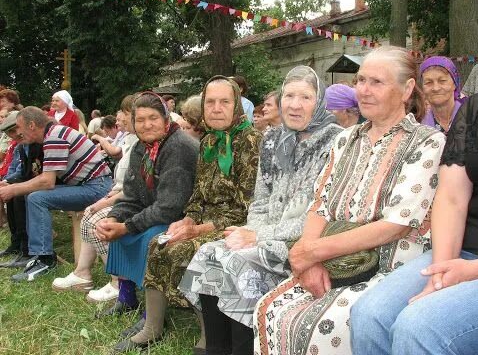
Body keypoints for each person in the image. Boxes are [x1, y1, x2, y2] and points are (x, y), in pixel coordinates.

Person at [350, 0, 478, 354]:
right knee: (369, 314)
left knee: (421, 327)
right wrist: (442, 271)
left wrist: (467, 275)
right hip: (465, 252)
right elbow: (453, 197)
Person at [254, 47, 446, 355]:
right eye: (360, 80)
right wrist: (311, 260)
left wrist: (309, 252)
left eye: (377, 83)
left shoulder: (427, 142)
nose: (364, 91)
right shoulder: (345, 139)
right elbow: (320, 204)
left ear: (407, 89)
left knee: (323, 322)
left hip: (391, 263)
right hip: (331, 258)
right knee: (271, 308)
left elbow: (394, 226)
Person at [179, 66, 342, 355]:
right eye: (288, 95)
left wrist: (259, 235)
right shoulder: (272, 139)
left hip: (301, 240)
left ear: (319, 102)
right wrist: (250, 229)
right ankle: (217, 348)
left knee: (238, 263)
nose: (294, 104)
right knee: (208, 254)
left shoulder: (336, 142)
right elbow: (260, 198)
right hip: (264, 232)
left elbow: (320, 212)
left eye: (305, 97)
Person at [114, 75, 262, 352]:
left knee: (188, 252)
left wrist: (199, 229)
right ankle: (152, 327)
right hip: (205, 221)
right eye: (211, 102)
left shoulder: (251, 141)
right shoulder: (209, 141)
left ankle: (208, 336)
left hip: (238, 225)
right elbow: (198, 193)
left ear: (237, 105)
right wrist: (189, 218)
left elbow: (247, 206)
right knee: (160, 245)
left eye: (224, 102)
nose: (216, 108)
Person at [94, 92, 198, 317]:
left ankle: (151, 315)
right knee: (118, 231)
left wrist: (127, 225)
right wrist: (114, 218)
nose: (147, 125)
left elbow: (170, 207)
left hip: (184, 217)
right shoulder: (141, 148)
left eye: (153, 118)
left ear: (166, 119)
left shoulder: (178, 147)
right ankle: (126, 298)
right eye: (140, 120)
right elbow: (131, 196)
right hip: (158, 210)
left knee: (149, 238)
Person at [0, 107, 112, 282]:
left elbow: (47, 181)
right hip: (94, 185)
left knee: (37, 198)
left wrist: (13, 189)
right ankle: (37, 254)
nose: (19, 133)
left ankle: (44, 259)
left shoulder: (54, 137)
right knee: (34, 196)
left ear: (31, 125)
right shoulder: (53, 134)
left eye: (19, 128)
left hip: (97, 188)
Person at [51, 95, 138, 302]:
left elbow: (135, 188)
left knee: (97, 220)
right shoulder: (130, 139)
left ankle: (119, 282)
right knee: (89, 216)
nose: (119, 118)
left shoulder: (139, 143)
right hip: (118, 193)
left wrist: (108, 200)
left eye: (124, 113)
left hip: (130, 199)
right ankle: (82, 273)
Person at [0, 111, 43, 269]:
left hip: (44, 182)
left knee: (18, 193)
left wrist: (12, 184)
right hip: (32, 179)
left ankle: (27, 250)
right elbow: (18, 170)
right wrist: (8, 182)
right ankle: (16, 242)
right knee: (12, 190)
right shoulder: (20, 146)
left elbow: (38, 172)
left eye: (14, 130)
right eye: (10, 132)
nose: (14, 135)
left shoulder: (36, 143)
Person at [420, 56, 464, 135]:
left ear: (455, 84)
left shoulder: (471, 117)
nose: (436, 88)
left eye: (442, 81)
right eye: (428, 82)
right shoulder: (418, 123)